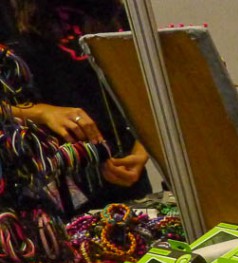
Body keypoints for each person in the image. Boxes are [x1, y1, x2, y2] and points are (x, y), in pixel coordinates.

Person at [4, 0, 151, 213]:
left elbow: (147, 87)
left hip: (124, 171)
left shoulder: (112, 9)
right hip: (47, 181)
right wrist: (42, 112)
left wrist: (144, 146)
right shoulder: (8, 14)